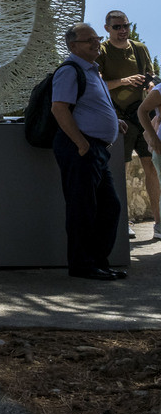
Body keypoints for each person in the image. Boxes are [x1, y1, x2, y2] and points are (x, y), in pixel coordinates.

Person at [50, 23, 128, 281]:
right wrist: (82, 144)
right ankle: (83, 266)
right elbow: (59, 108)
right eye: (89, 40)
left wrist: (114, 122)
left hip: (96, 151)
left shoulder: (93, 71)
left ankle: (98, 263)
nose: (96, 42)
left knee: (109, 207)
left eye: (96, 38)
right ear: (73, 46)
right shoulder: (69, 71)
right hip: (81, 149)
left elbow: (91, 106)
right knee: (83, 208)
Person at [97, 10, 157, 240]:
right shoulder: (102, 51)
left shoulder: (139, 49)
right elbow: (98, 84)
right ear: (107, 29)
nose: (122, 31)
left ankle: (158, 222)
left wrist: (150, 85)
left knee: (151, 166)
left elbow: (151, 76)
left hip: (143, 115)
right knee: (118, 171)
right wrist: (124, 81)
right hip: (118, 117)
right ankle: (124, 221)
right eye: (117, 27)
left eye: (126, 26)